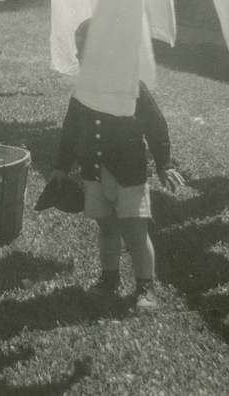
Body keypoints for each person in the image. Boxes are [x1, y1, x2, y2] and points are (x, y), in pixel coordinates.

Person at [51, 19, 185, 310]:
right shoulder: (83, 91)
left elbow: (156, 126)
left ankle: (145, 287)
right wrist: (61, 166)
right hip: (94, 174)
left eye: (84, 51)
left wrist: (164, 163)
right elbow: (70, 131)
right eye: (78, 51)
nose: (78, 57)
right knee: (107, 229)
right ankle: (109, 279)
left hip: (129, 175)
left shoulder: (132, 86)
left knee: (136, 233)